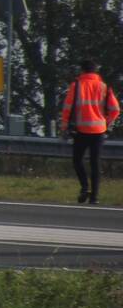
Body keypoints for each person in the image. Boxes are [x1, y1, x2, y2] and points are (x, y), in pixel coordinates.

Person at [61, 59, 119, 204]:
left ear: (82, 71)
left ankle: (84, 187)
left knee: (77, 160)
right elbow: (115, 110)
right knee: (95, 163)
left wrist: (64, 126)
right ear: (95, 71)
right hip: (99, 131)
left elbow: (67, 107)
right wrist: (106, 123)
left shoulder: (77, 85)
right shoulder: (104, 87)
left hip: (81, 130)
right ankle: (95, 197)